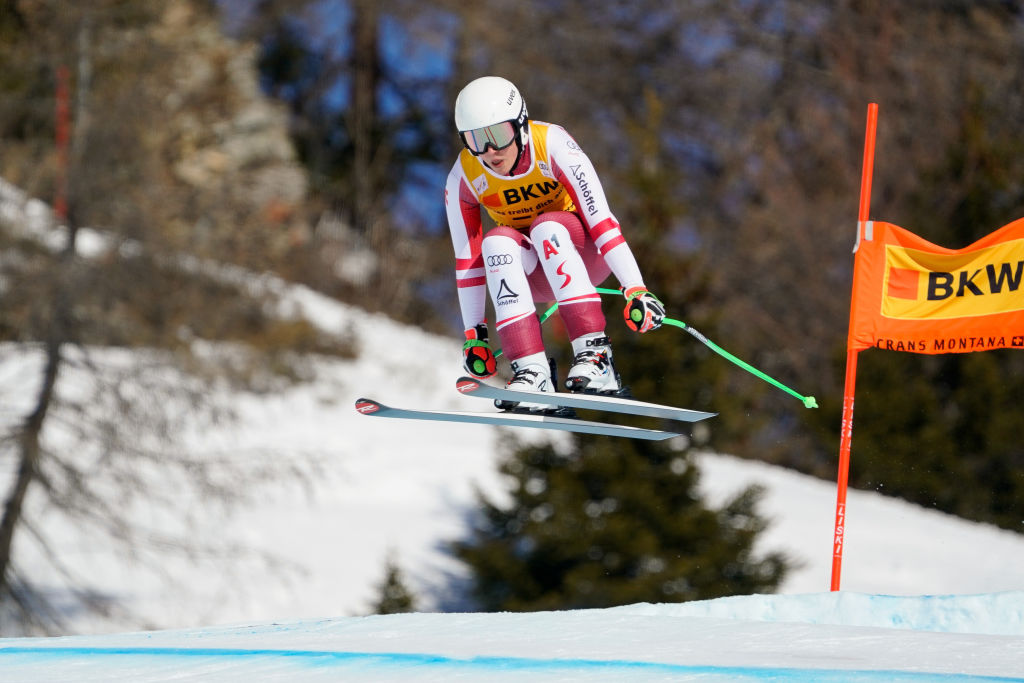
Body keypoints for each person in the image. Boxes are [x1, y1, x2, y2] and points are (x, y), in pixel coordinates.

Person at [444, 76, 665, 411]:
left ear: (520, 124)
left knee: (546, 227)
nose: (490, 151)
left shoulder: (552, 143)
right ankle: (531, 371)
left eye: (499, 135)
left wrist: (635, 288)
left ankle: (595, 356)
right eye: (477, 140)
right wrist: (474, 335)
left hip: (584, 255)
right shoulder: (465, 175)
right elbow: (467, 261)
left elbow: (600, 220)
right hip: (535, 274)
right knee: (494, 244)